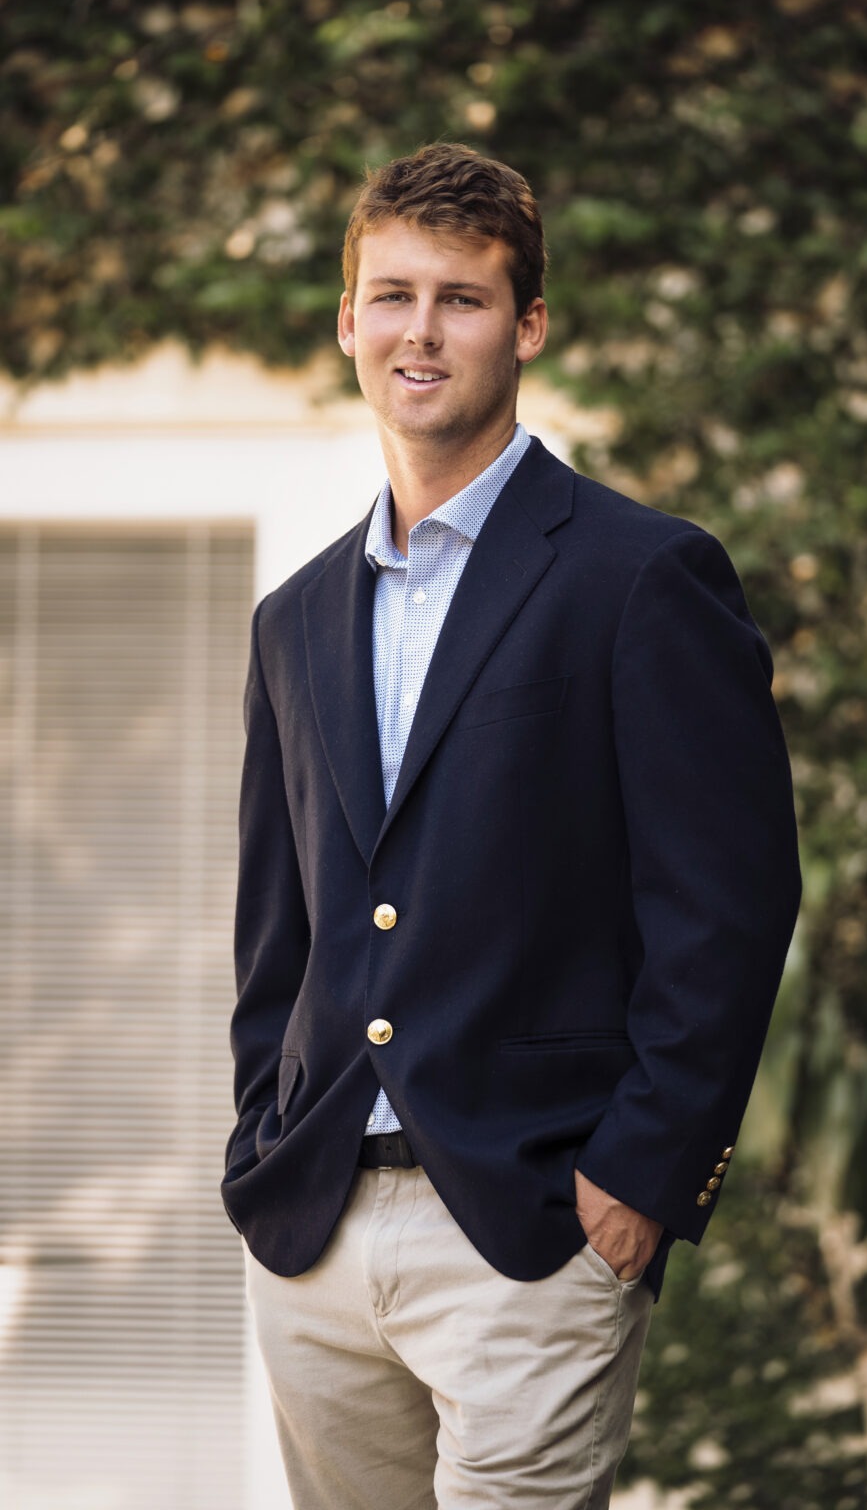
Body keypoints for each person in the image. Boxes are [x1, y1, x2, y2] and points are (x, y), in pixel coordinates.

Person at [223, 142, 801, 1510]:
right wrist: (261, 1144)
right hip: (312, 1229)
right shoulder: (294, 619)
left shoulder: (642, 575)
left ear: (527, 325)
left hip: (533, 1230)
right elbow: (276, 930)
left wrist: (642, 1179)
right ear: (348, 320)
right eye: (393, 295)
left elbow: (727, 906)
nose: (420, 332)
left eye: (462, 299)